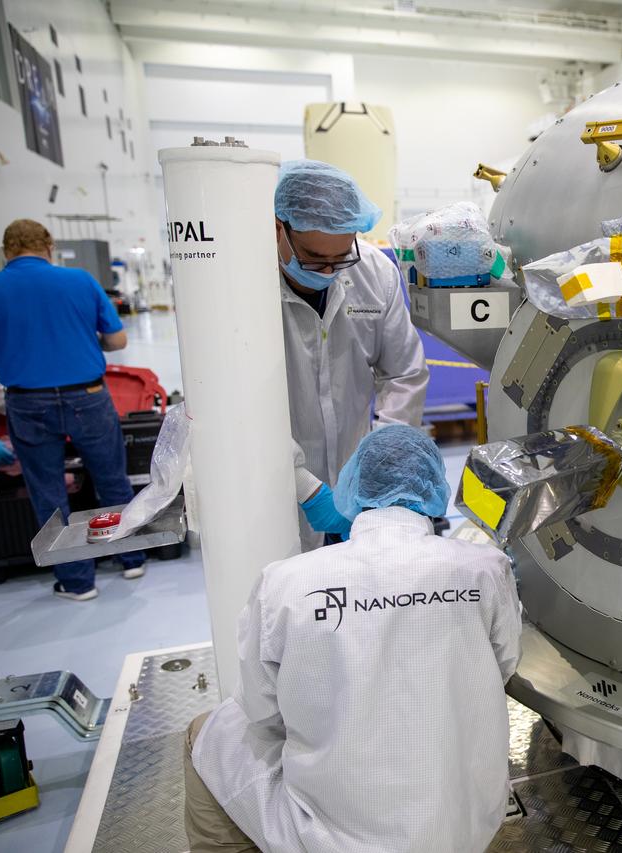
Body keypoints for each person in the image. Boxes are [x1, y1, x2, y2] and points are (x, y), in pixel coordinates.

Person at [184, 425, 521, 853]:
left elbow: (259, 709)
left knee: (207, 732)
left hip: (333, 840)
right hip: (467, 829)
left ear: (351, 487)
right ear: (434, 486)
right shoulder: (485, 569)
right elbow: (505, 666)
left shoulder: (285, 583)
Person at [273, 160, 429, 549]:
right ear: (278, 228)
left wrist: (381, 464)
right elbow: (236, 410)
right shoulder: (242, 284)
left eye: (339, 258)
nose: (328, 271)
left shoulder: (374, 273)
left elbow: (403, 375)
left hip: (355, 479)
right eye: (313, 258)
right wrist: (305, 487)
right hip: (272, 484)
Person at [0, 219, 146, 600]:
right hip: (88, 395)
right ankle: (131, 559)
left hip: (27, 401)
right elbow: (117, 338)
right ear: (49, 246)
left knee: (48, 492)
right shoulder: (80, 280)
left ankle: (79, 583)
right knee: (112, 479)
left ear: (6, 251)